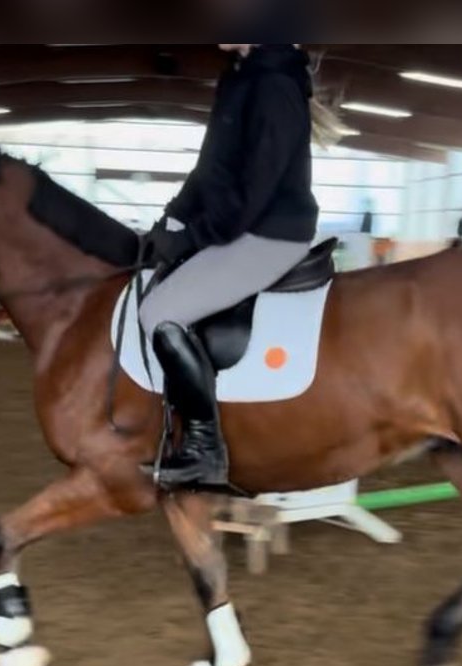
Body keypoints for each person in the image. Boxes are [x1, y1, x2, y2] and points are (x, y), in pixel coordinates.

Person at [141, 43, 332, 491]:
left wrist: (189, 237)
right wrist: (169, 220)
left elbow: (252, 193)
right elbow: (209, 170)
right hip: (242, 226)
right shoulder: (240, 77)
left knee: (160, 315)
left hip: (270, 233)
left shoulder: (275, 85)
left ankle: (206, 452)